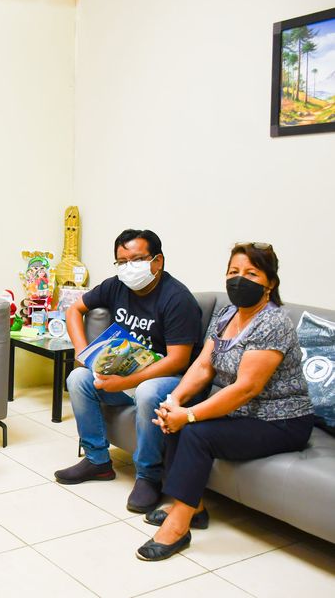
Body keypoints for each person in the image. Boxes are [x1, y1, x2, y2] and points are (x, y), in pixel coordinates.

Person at [136, 243, 314, 561]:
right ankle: (194, 508)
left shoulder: (273, 322)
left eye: (251, 273)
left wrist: (189, 415)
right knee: (175, 420)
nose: (239, 279)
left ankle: (178, 527)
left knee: (195, 432)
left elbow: (246, 388)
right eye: (234, 272)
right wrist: (174, 401)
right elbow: (204, 366)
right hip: (242, 413)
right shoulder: (227, 314)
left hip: (281, 420)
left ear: (270, 283)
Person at [54, 229, 203, 513]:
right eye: (121, 262)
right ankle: (97, 460)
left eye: (137, 260)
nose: (128, 268)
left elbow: (178, 360)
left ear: (157, 261)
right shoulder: (116, 286)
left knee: (147, 391)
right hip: (126, 373)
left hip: (168, 381)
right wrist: (83, 353)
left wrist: (124, 383)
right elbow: (74, 310)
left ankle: (148, 476)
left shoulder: (177, 298)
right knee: (78, 378)